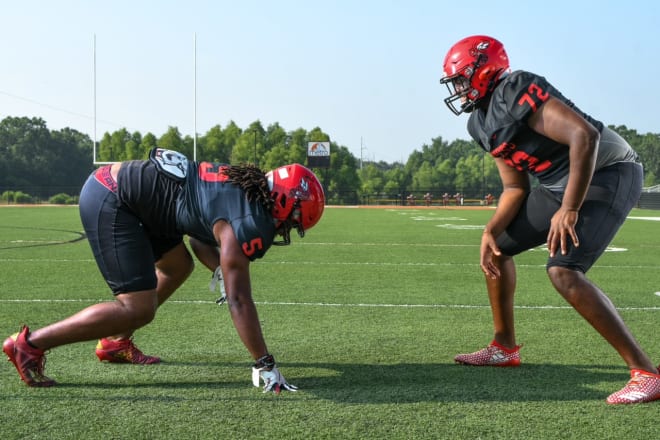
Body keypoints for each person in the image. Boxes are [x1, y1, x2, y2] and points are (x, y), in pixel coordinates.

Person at [439, 35, 659, 404]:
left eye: (462, 79)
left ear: (484, 70)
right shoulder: (478, 124)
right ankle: (504, 347)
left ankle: (646, 373)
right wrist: (490, 229)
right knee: (496, 251)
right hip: (559, 183)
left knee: (563, 270)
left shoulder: (514, 88)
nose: (459, 89)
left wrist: (569, 208)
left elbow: (584, 135)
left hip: (609, 170)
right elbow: (514, 187)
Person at [3, 147, 325, 393]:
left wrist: (222, 270)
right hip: (115, 197)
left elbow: (201, 242)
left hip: (144, 200)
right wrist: (264, 364)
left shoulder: (245, 188)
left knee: (176, 266)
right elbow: (239, 299)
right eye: (294, 220)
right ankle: (29, 345)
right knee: (138, 308)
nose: (288, 229)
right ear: (283, 202)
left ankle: (115, 343)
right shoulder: (250, 219)